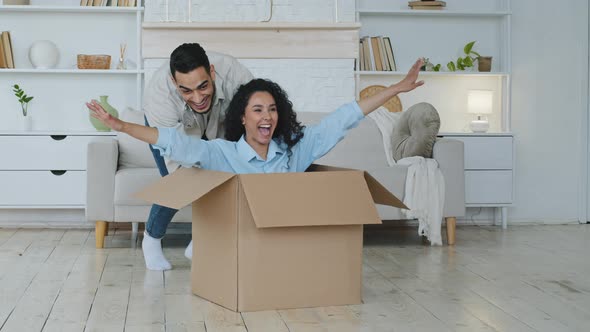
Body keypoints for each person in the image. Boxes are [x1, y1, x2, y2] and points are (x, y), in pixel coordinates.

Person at [87, 59, 423, 264]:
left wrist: (395, 89)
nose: (267, 117)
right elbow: (171, 142)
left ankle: (202, 246)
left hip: (281, 245)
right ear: (243, 118)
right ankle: (201, 245)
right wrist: (121, 126)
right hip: (239, 245)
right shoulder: (223, 152)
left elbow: (343, 119)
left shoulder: (295, 151)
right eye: (258, 110)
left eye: (273, 109)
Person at [141, 43, 253, 270]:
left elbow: (255, 120)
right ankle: (151, 240)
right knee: (181, 183)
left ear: (212, 72)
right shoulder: (159, 97)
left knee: (231, 173)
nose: (198, 97)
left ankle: (201, 240)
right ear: (175, 83)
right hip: (172, 131)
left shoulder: (236, 76)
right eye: (187, 91)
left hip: (220, 122)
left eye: (203, 86)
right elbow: (181, 163)